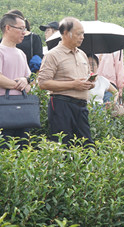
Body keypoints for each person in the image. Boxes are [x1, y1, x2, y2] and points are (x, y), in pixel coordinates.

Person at [38, 17, 94, 145]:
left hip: (81, 107)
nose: (82, 37)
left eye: (83, 33)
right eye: (78, 33)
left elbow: (84, 78)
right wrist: (73, 85)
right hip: (61, 105)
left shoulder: (82, 54)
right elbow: (43, 83)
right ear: (65, 33)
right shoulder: (52, 55)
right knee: (63, 145)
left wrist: (89, 83)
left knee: (86, 146)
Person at [0, 12, 34, 139]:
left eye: (25, 29)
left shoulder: (21, 54)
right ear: (8, 28)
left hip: (22, 112)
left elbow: (29, 83)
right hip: (1, 112)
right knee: (2, 154)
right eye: (21, 28)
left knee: (23, 154)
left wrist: (25, 80)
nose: (24, 32)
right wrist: (19, 84)